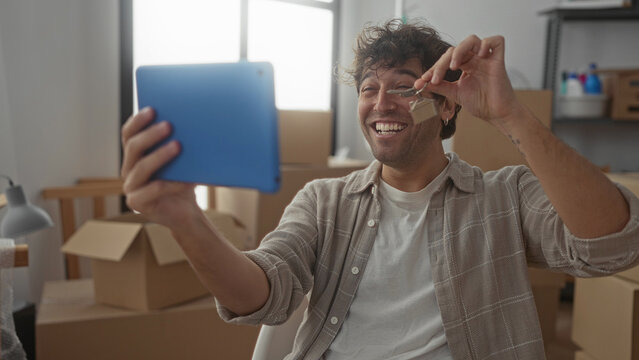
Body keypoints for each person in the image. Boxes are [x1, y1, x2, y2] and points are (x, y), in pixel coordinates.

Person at [120, 19, 639, 360]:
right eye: (369, 89)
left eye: (406, 87)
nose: (382, 103)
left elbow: (614, 245)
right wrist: (185, 218)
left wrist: (510, 115)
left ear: (447, 105)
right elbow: (264, 297)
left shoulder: (505, 195)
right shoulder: (324, 202)